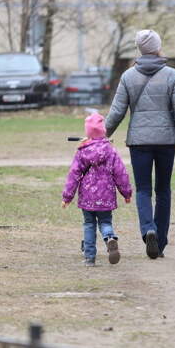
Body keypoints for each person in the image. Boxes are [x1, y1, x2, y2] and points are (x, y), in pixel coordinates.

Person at [105, 29, 175, 259]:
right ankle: (162, 242)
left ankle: (149, 229)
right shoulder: (172, 75)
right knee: (163, 190)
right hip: (166, 142)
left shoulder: (128, 76)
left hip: (139, 142)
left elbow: (117, 111)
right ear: (158, 47)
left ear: (139, 49)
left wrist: (101, 135)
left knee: (144, 190)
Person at [62, 112, 132, 267]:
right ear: (104, 131)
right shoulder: (111, 151)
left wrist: (67, 196)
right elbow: (121, 173)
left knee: (89, 224)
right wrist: (126, 192)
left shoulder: (82, 151)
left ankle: (89, 257)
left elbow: (74, 174)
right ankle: (109, 238)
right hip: (106, 196)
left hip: (87, 197)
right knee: (105, 221)